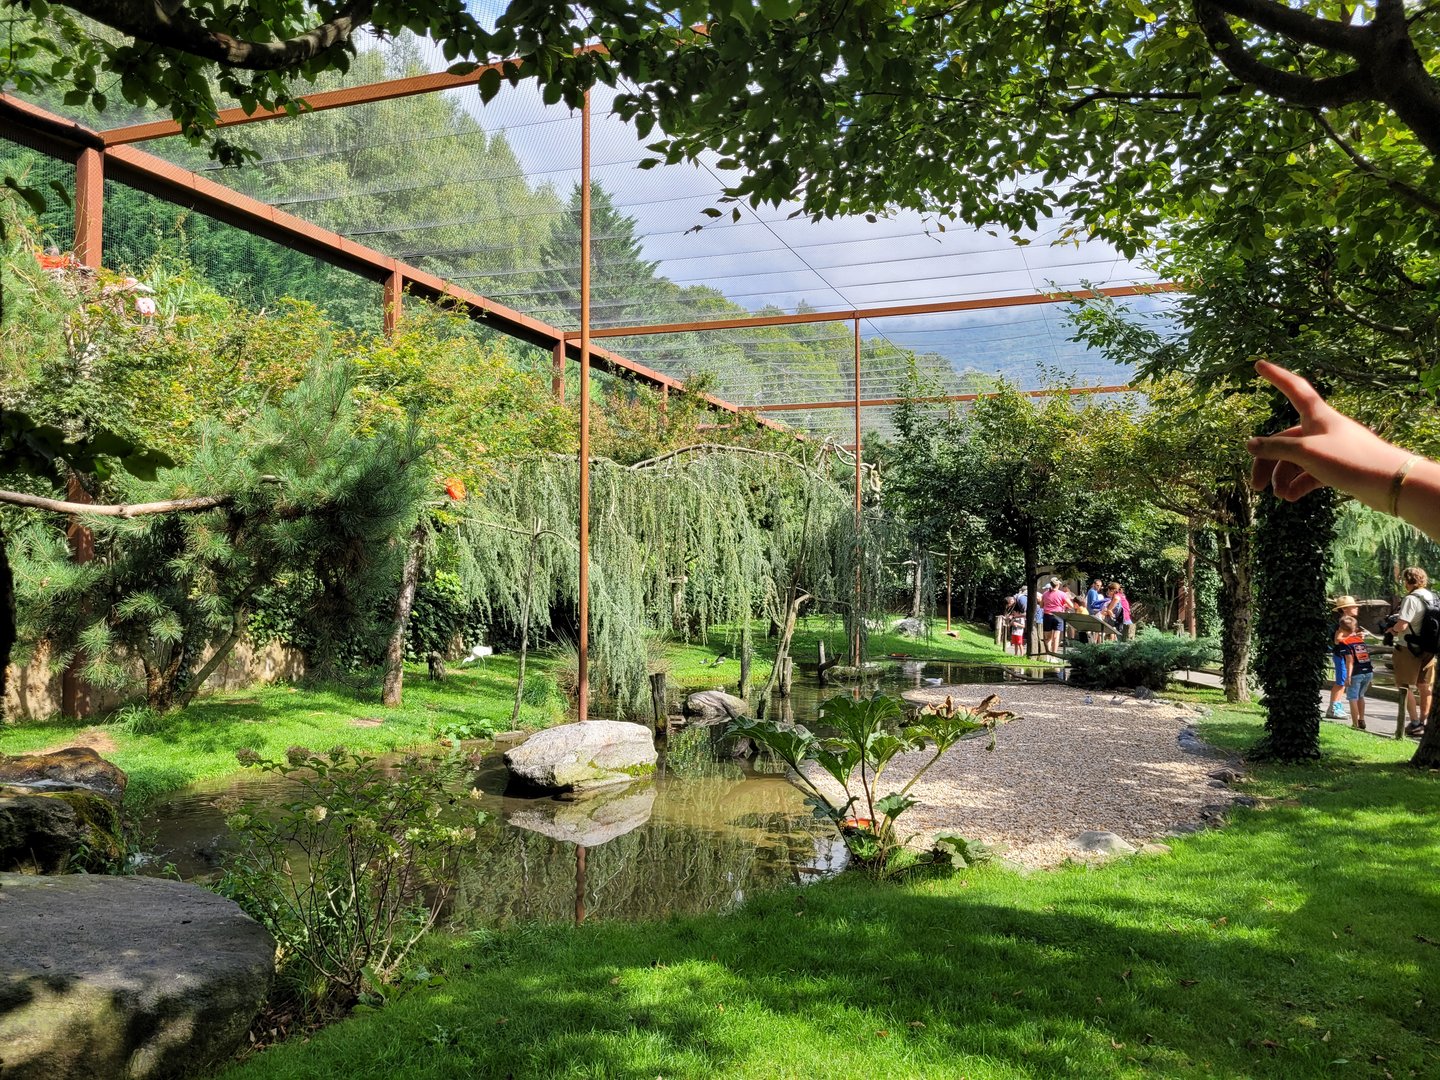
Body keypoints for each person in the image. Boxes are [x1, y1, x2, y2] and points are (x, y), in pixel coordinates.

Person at [1390, 567, 1435, 737]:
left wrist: (1392, 630)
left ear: (1408, 581)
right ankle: (1425, 722)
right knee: (1425, 686)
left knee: (1403, 685)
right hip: (1429, 648)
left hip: (1408, 647)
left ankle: (1414, 722)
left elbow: (1402, 625)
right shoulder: (1433, 596)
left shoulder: (1411, 599)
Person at [1334, 614, 1375, 731]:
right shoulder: (1359, 639)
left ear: (1341, 629)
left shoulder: (1345, 643)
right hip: (1368, 671)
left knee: (1352, 697)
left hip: (1356, 673)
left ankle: (1355, 724)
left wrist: (1348, 677)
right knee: (1361, 696)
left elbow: (1349, 661)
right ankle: (1361, 719)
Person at [1326, 595, 1360, 720]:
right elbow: (1337, 640)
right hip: (1341, 656)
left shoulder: (1349, 623)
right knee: (1341, 682)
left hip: (1346, 656)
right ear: (1345, 609)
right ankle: (1333, 708)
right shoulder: (1342, 624)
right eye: (1353, 606)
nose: (1356, 607)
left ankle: (1337, 705)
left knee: (1343, 682)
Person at [1040, 578, 1068, 655]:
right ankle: (1054, 655)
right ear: (1058, 585)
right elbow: (1071, 605)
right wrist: (1063, 605)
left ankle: (1048, 654)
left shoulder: (1045, 594)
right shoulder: (1062, 594)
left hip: (1047, 616)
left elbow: (1041, 606)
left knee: (1048, 637)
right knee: (1056, 637)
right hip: (1058, 615)